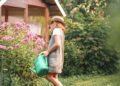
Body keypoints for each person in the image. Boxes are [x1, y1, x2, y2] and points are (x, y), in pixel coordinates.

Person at [43, 16, 66, 86]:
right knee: (54, 77)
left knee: (49, 76)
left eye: (52, 23)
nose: (50, 25)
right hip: (59, 58)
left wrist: (48, 51)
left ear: (55, 23)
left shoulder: (56, 30)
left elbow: (57, 44)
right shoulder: (61, 32)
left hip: (54, 58)